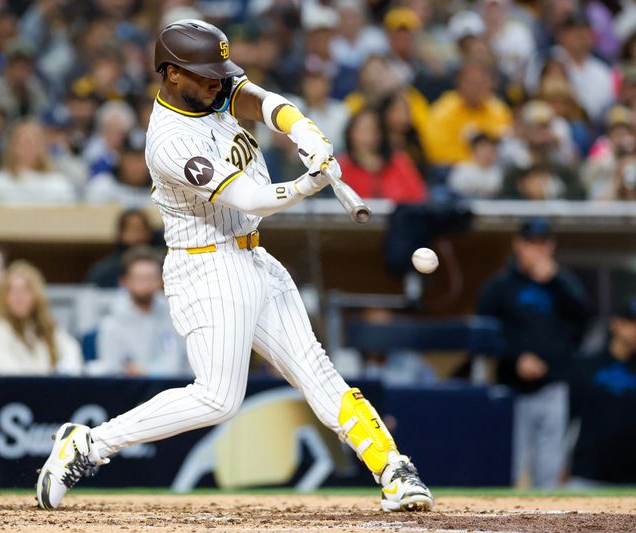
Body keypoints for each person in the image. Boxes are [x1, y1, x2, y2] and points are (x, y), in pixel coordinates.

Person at [37, 19, 433, 513]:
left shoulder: (210, 91)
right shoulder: (169, 141)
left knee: (316, 370)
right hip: (206, 266)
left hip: (252, 256)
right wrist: (307, 184)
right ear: (171, 73)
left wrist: (304, 130)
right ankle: (89, 445)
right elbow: (250, 197)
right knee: (218, 398)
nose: (216, 81)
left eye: (218, 72)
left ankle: (392, 468)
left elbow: (264, 102)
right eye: (204, 73)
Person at [477, 218, 591, 488]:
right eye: (531, 244)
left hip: (553, 384)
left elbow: (584, 320)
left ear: (551, 246)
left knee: (549, 467)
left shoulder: (564, 283)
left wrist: (556, 282)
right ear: (519, 245)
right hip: (511, 387)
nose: (537, 251)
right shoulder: (500, 285)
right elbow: (485, 332)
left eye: (543, 244)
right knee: (510, 465)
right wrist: (516, 357)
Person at [0, 261, 82, 377]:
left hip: (41, 390)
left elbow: (72, 352)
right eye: (12, 291)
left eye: (25, 290)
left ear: (36, 295)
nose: (19, 297)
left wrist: (62, 373)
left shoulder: (45, 325)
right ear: (3, 296)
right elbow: (9, 374)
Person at [85, 246, 188, 378]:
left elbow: (177, 365)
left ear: (160, 281)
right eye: (139, 278)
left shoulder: (175, 316)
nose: (146, 284)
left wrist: (145, 371)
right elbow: (111, 371)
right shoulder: (111, 324)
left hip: (169, 390)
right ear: (124, 281)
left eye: (151, 277)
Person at [567, 299, 636, 486]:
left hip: (631, 478)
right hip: (587, 474)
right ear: (616, 324)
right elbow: (567, 416)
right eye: (631, 323)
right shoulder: (587, 365)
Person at [337, 107, 427, 203]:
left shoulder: (399, 161)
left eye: (373, 130)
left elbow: (418, 196)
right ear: (350, 133)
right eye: (362, 130)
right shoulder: (340, 167)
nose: (367, 137)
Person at [0, 119, 77, 204]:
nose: (28, 147)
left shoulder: (58, 183)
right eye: (23, 141)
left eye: (34, 142)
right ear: (12, 146)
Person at [85, 209, 157, 288]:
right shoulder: (105, 272)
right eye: (134, 230)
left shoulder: (162, 266)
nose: (139, 235)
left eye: (143, 229)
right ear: (121, 233)